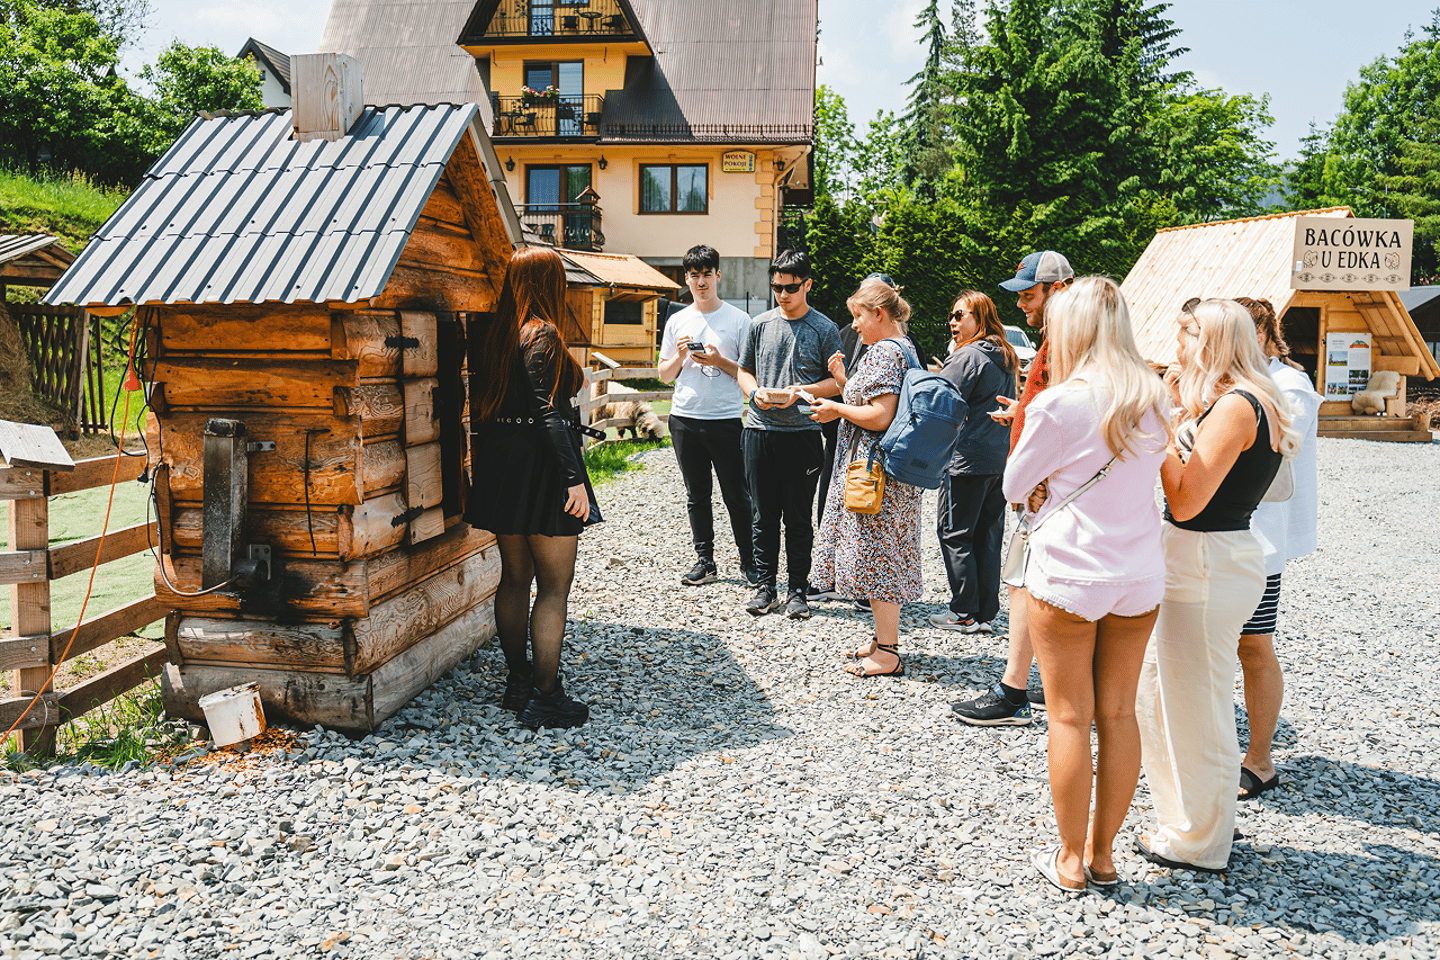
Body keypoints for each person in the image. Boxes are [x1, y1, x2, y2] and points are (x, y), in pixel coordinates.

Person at [1002, 277, 1171, 893]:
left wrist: (1043, 485)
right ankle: (1105, 856)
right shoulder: (1155, 397)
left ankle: (1069, 859)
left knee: (1069, 719)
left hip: (1071, 570)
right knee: (1120, 714)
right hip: (1139, 572)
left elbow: (1014, 485)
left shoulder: (1059, 403)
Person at [1136, 298, 1300, 872]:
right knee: (1162, 695)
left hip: (1205, 558)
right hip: (1204, 558)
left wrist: (1157, 432)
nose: (1174, 349)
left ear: (1205, 342)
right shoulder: (1246, 399)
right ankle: (1188, 818)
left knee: (1196, 704)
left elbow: (1184, 501)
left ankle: (1202, 839)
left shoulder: (1236, 407)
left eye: (1182, 337)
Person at [466, 247, 599, 731]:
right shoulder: (540, 332)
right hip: (542, 466)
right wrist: (574, 479)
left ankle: (518, 681)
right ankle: (546, 696)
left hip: (502, 464)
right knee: (554, 587)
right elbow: (548, 412)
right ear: (549, 282)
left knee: (515, 579)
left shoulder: (494, 332)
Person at [951, 250, 1073, 727]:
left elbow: (1072, 413)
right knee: (1025, 581)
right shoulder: (1053, 339)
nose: (1021, 304)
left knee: (1024, 583)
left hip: (1048, 488)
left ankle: (1015, 692)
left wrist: (1041, 473)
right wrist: (1021, 411)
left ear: (1058, 289)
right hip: (1042, 481)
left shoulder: (1066, 341)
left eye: (1029, 294)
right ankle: (1038, 684)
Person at [809, 279, 923, 678]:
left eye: (858, 316)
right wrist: (843, 382)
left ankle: (888, 652)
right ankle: (881, 638)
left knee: (879, 556)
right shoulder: (903, 348)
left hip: (875, 475)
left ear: (879, 314)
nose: (853, 325)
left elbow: (880, 415)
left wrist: (836, 409)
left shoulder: (885, 353)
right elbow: (874, 402)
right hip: (887, 472)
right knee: (882, 551)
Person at [1231, 297, 1321, 801]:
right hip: (1221, 536)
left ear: (1264, 336)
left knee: (1253, 645)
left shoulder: (1289, 385)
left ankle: (1260, 758)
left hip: (1258, 540)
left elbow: (1281, 444)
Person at [736, 249, 842, 619]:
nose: (783, 294)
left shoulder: (825, 328)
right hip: (759, 430)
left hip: (802, 434)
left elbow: (838, 383)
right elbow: (743, 370)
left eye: (791, 287)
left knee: (797, 517)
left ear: (807, 284)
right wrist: (754, 393)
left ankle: (798, 588)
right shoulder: (759, 324)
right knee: (762, 515)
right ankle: (766, 587)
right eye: (777, 287)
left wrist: (804, 392)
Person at [658, 245, 756, 587]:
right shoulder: (677, 320)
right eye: (694, 275)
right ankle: (705, 561)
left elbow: (747, 373)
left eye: (706, 274)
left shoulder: (738, 320)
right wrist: (681, 355)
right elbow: (664, 375)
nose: (701, 282)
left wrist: (718, 362)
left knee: (736, 494)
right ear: (687, 279)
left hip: (726, 418)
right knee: (696, 494)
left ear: (718, 275)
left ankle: (750, 561)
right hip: (684, 417)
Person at [931, 290, 1018, 634]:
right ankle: (985, 611)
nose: (952, 321)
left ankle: (964, 612)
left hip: (965, 459)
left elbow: (940, 404)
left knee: (954, 532)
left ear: (979, 318)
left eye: (960, 315)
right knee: (987, 535)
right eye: (951, 315)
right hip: (998, 457)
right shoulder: (1005, 355)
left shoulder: (968, 357)